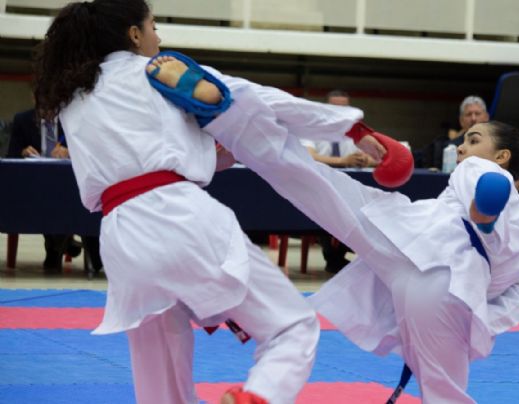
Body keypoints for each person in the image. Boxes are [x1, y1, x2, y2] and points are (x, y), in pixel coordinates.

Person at [144, 56, 519, 402]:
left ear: (501, 158)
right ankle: (236, 131)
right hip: (444, 292)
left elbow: (486, 185)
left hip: (422, 259)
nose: (462, 147)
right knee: (445, 392)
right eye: (464, 141)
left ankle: (235, 127)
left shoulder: (483, 174)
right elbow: (512, 293)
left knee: (313, 183)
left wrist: (484, 208)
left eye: (473, 140)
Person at [33, 1, 320, 403]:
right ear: (133, 34)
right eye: (153, 25)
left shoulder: (73, 97)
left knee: (161, 386)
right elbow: (222, 126)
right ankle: (260, 394)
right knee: (292, 325)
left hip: (122, 237)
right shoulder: (161, 73)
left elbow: (154, 154)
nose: (159, 36)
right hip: (181, 217)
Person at [6, 107, 104, 273]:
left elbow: (95, 151)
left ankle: (72, 245)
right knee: (51, 195)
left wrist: (71, 151)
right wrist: (23, 152)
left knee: (72, 196)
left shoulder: (74, 119)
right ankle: (59, 245)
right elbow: (10, 157)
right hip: (36, 187)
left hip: (74, 184)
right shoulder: (23, 120)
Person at [300, 90, 376, 273]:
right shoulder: (311, 128)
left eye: (344, 107)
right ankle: (333, 257)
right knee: (329, 208)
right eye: (335, 107)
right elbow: (309, 156)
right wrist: (343, 161)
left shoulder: (355, 131)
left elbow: (378, 157)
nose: (340, 112)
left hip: (348, 186)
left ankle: (341, 257)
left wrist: (366, 160)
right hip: (317, 187)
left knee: (360, 210)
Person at [418, 95, 489, 169]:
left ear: (486, 117)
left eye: (477, 114)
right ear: (461, 120)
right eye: (468, 114)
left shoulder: (497, 144)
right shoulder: (450, 148)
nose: (473, 118)